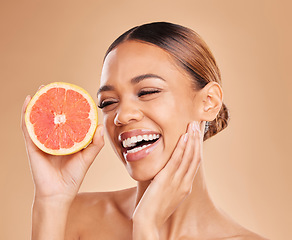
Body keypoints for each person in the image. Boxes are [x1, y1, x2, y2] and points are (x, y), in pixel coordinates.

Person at [21, 22, 267, 240]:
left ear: (208, 102)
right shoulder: (75, 217)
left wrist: (146, 226)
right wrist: (50, 201)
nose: (122, 115)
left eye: (148, 92)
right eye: (108, 102)